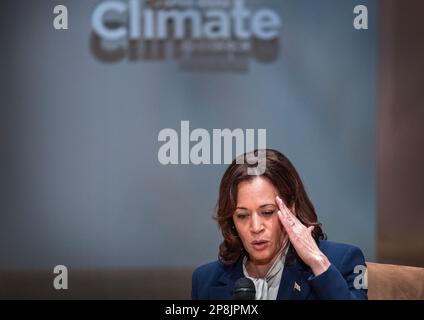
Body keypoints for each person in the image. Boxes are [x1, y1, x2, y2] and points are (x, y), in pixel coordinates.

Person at [192, 149, 368, 300]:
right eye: (243, 215)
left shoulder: (343, 261)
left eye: (267, 212)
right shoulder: (205, 281)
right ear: (231, 221)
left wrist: (318, 263)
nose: (255, 227)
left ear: (291, 208)